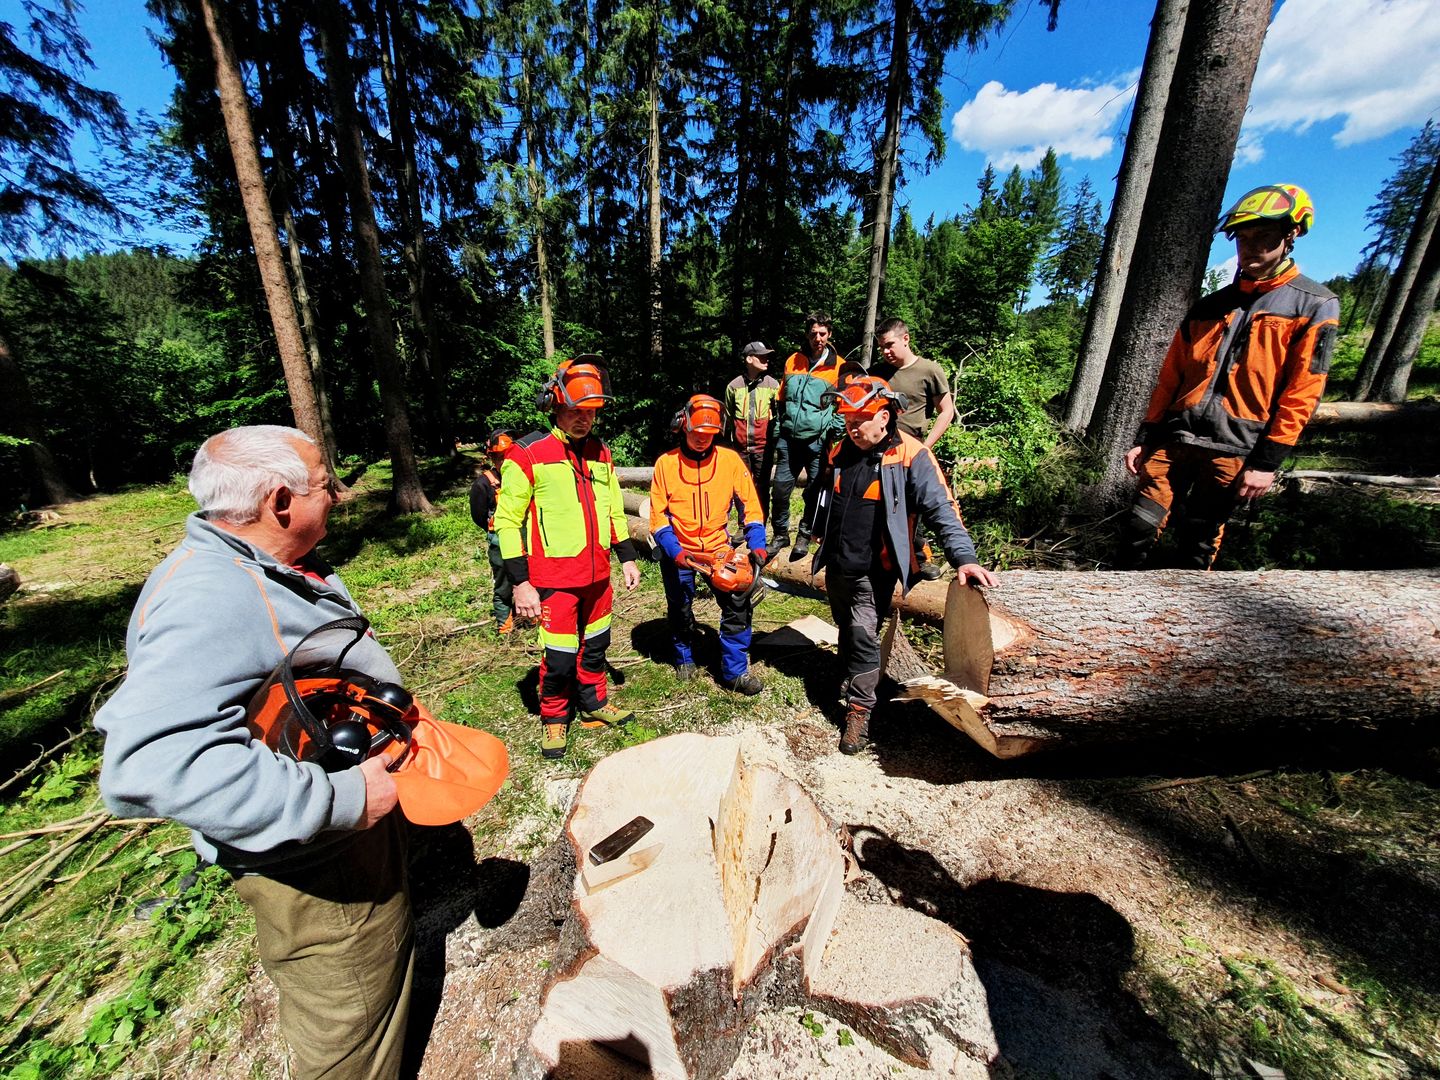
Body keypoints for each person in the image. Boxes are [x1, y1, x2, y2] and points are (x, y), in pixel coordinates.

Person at [94, 425, 415, 1079]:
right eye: (326, 483)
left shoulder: (263, 563)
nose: (338, 494)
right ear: (279, 501)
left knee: (378, 995)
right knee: (349, 1043)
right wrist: (345, 797)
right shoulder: (212, 596)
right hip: (320, 870)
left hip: (342, 836)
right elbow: (153, 763)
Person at [1117, 183, 1339, 570]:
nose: (1251, 248)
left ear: (1290, 237)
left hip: (1236, 448)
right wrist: (1146, 436)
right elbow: (1171, 377)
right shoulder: (1210, 306)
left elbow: (1303, 393)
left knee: (1197, 540)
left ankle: (1186, 620)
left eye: (1264, 238)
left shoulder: (1314, 304)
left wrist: (1267, 462)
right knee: (1138, 526)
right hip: (1176, 438)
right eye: (1244, 238)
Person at [809, 377, 998, 755]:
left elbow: (942, 508)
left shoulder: (911, 455)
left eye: (860, 419)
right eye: (848, 418)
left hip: (874, 569)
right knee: (847, 627)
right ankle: (852, 677)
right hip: (838, 564)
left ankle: (859, 714)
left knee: (863, 636)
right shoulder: (840, 449)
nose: (852, 426)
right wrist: (813, 530)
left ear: (883, 416)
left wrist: (964, 557)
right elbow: (822, 492)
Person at [494, 356, 642, 759]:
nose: (584, 420)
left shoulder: (601, 453)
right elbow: (506, 522)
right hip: (554, 580)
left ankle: (594, 704)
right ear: (555, 405)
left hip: (597, 577)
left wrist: (626, 557)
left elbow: (613, 508)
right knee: (558, 660)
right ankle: (555, 717)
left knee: (596, 646)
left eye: (591, 412)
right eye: (576, 411)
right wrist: (521, 582)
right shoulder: (527, 454)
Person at [650, 394, 768, 694]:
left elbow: (750, 505)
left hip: (719, 549)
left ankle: (734, 672)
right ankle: (684, 656)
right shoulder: (666, 464)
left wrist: (756, 542)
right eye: (696, 433)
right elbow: (659, 517)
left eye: (709, 434)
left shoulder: (730, 461)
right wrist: (673, 550)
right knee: (680, 606)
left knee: (737, 606)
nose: (702, 439)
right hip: (682, 549)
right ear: (683, 425)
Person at [870, 319, 956, 581]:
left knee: (910, 506)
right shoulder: (877, 372)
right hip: (878, 451)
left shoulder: (928, 370)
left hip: (911, 451)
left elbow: (947, 411)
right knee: (879, 504)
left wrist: (925, 447)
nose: (886, 351)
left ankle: (917, 559)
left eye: (890, 345)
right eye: (881, 347)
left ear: (905, 339)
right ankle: (881, 556)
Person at [772, 311, 844, 557]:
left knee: (814, 490)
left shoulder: (839, 366)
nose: (818, 338)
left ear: (829, 334)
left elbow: (843, 405)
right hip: (789, 439)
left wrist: (833, 430)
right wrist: (779, 427)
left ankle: (804, 534)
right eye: (813, 333)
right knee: (780, 489)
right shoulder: (793, 360)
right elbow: (781, 397)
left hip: (817, 440)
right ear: (807, 334)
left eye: (822, 333)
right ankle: (780, 534)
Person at [723, 341, 781, 522]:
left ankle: (760, 523)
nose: (766, 360)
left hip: (764, 448)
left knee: (763, 486)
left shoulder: (773, 385)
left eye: (767, 356)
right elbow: (728, 416)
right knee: (741, 486)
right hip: (740, 449)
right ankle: (743, 523)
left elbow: (779, 415)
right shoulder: (733, 386)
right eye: (761, 356)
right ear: (749, 359)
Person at [469, 429, 516, 635]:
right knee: (504, 583)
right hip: (499, 542)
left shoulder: (520, 478)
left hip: (524, 539)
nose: (504, 462)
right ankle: (504, 623)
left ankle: (531, 615)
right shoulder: (483, 484)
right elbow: (479, 516)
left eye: (508, 457)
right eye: (499, 457)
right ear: (492, 457)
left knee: (531, 579)